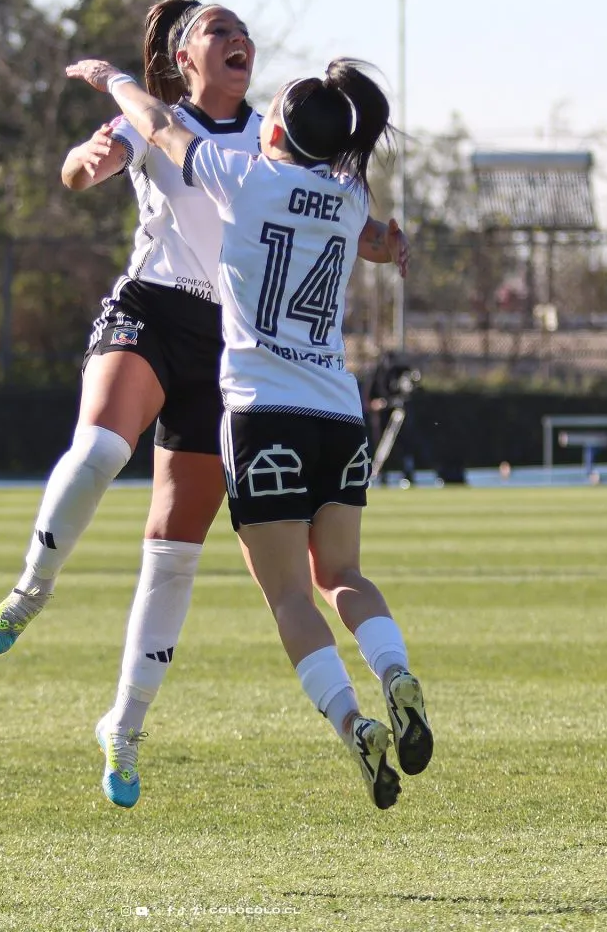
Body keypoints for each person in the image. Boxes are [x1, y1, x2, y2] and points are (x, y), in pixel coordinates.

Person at [65, 55, 430, 809]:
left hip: (264, 412)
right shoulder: (348, 192)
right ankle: (396, 673)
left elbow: (161, 124)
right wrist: (390, 238)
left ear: (271, 130)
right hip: (338, 412)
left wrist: (111, 81)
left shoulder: (245, 176)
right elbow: (370, 230)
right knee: (344, 578)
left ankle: (352, 723)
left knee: (290, 596)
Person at [0, 0, 262, 809]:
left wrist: (375, 230)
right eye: (217, 29)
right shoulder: (155, 117)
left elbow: (318, 202)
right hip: (150, 307)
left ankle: (124, 728)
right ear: (184, 55)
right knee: (101, 448)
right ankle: (32, 589)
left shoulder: (273, 133)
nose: (237, 38)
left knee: (174, 554)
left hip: (225, 343)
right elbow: (81, 169)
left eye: (242, 30)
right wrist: (88, 157)